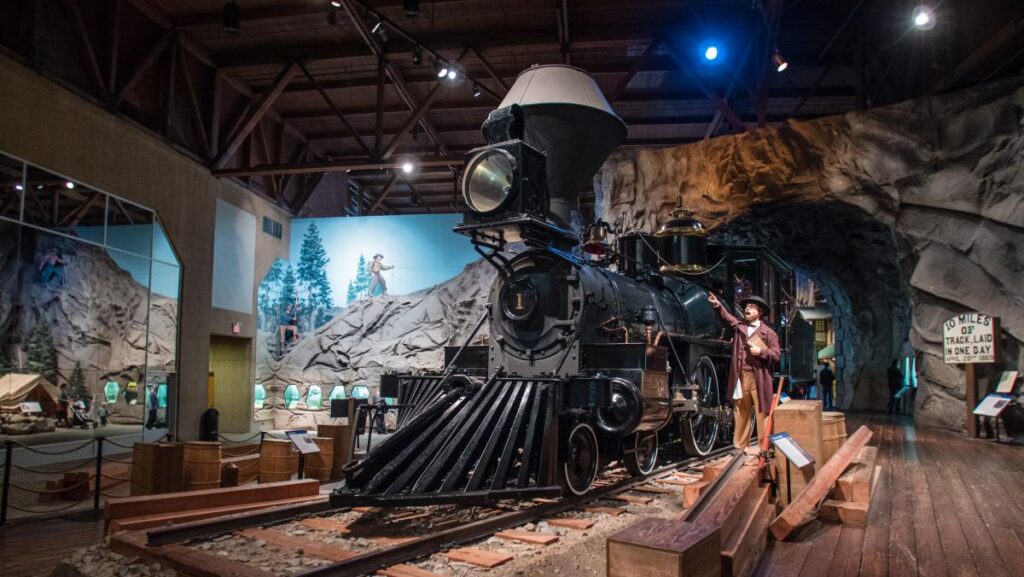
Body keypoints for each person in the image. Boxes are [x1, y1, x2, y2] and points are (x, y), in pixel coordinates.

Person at [708, 293, 781, 453]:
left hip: (759, 378)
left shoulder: (769, 333)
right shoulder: (740, 327)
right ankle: (741, 446)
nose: (747, 308)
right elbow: (728, 319)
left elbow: (776, 355)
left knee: (763, 412)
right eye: (747, 306)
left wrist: (761, 351)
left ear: (760, 312)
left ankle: (764, 448)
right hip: (741, 377)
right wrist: (718, 305)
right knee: (741, 411)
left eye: (752, 307)